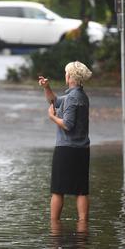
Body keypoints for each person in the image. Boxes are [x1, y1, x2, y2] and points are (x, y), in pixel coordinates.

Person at [38, 61, 92, 223]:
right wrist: (47, 87)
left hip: (66, 149)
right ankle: (83, 227)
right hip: (82, 149)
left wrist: (52, 117)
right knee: (81, 190)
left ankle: (54, 227)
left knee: (57, 190)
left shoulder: (72, 99)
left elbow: (67, 125)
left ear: (70, 77)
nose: (65, 75)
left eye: (65, 73)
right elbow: (54, 101)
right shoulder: (81, 96)